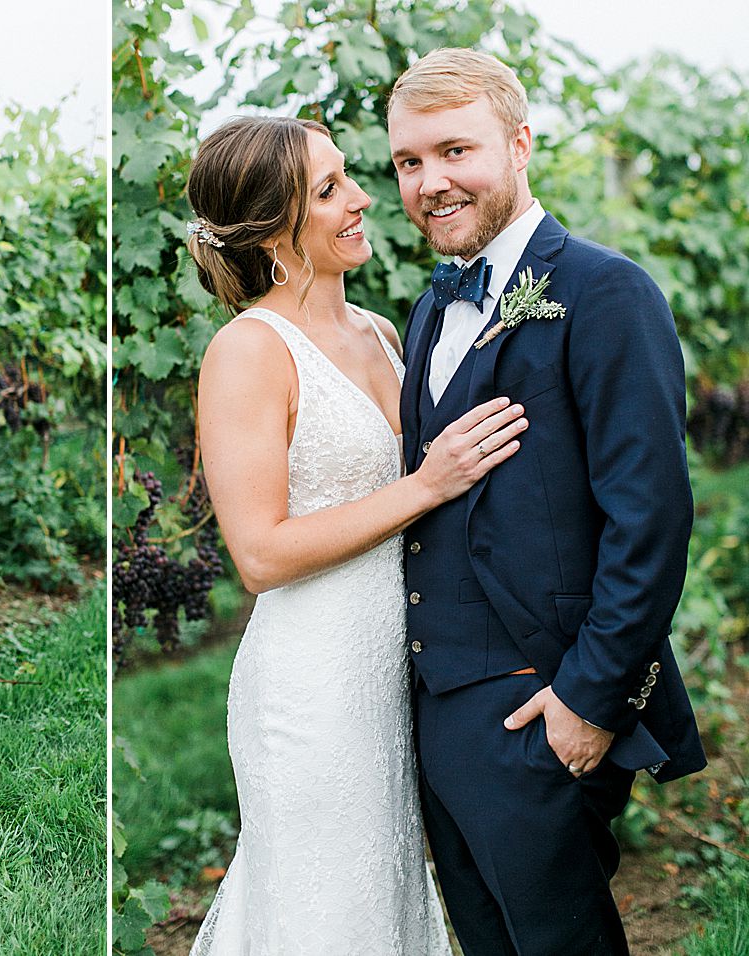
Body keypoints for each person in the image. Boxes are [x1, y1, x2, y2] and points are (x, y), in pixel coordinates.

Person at [387, 47, 705, 955]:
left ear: (520, 144)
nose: (430, 182)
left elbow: (652, 519)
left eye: (456, 151)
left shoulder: (608, 292)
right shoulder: (428, 307)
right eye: (410, 162)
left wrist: (589, 702)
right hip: (437, 707)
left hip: (541, 708)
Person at [185, 115, 529, 954]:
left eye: (348, 176)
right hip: (314, 685)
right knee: (328, 909)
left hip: (405, 670)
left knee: (391, 899)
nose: (363, 198)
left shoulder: (381, 329)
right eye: (329, 189)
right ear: (272, 231)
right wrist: (424, 485)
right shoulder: (249, 352)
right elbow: (260, 553)